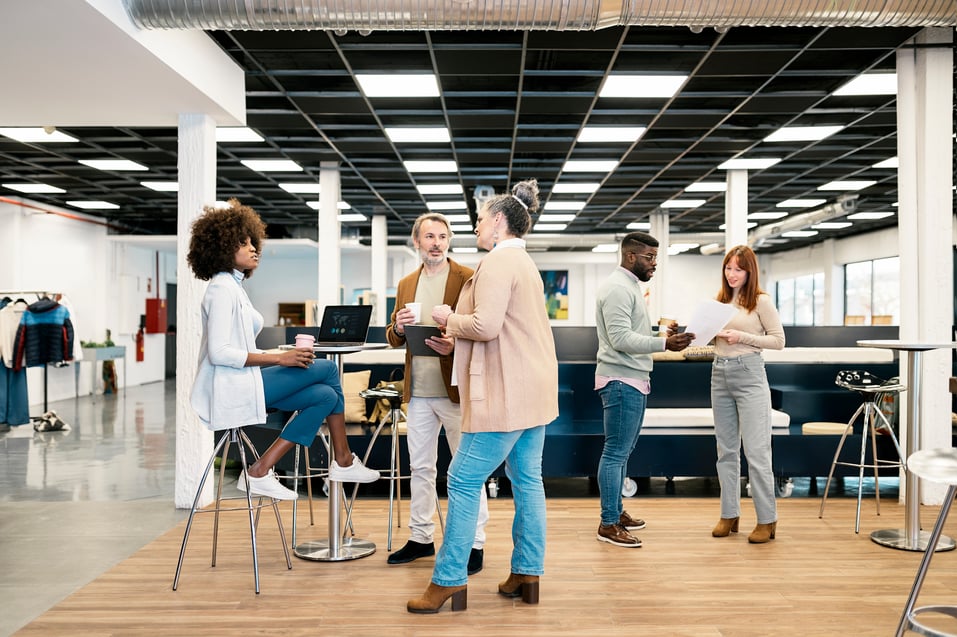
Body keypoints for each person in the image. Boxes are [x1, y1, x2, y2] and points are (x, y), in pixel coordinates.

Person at [407, 179, 558, 614]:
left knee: (461, 478)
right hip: (533, 390)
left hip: (506, 393)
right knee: (528, 480)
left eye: (478, 220)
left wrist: (450, 319)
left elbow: (488, 326)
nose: (474, 227)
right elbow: (506, 329)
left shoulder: (496, 263)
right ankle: (527, 572)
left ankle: (448, 580)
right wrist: (457, 338)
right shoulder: (524, 263)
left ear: (497, 222)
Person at [188, 199, 379, 501]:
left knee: (325, 396)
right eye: (244, 242)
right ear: (222, 247)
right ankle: (342, 460)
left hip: (244, 382)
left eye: (253, 241)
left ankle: (260, 470)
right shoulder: (221, 289)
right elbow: (220, 353)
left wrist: (280, 356)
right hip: (231, 388)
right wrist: (281, 357)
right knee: (328, 369)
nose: (253, 248)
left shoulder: (234, 287)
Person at [385, 212, 489, 575]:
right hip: (419, 391)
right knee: (420, 468)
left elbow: (480, 328)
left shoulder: (466, 278)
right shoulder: (406, 283)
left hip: (456, 389)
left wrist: (454, 344)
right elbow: (394, 336)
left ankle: (475, 543)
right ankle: (421, 538)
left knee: (468, 470)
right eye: (429, 236)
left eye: (442, 236)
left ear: (449, 240)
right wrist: (396, 326)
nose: (436, 243)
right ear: (417, 242)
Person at [594, 232, 694, 548]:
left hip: (632, 379)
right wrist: (664, 343)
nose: (654, 265)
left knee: (622, 452)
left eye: (656, 258)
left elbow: (631, 331)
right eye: (649, 258)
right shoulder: (618, 289)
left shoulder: (629, 287)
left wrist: (661, 332)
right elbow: (621, 338)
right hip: (621, 381)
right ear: (630, 257)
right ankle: (608, 523)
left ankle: (616, 512)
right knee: (615, 453)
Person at [710, 245, 785, 544]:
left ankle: (767, 519)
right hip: (719, 373)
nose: (731, 274)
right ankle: (729, 514)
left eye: (738, 269)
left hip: (750, 374)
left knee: (756, 451)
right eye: (728, 268)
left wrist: (741, 337)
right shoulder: (721, 300)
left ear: (749, 271)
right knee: (725, 451)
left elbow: (779, 341)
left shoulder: (761, 302)